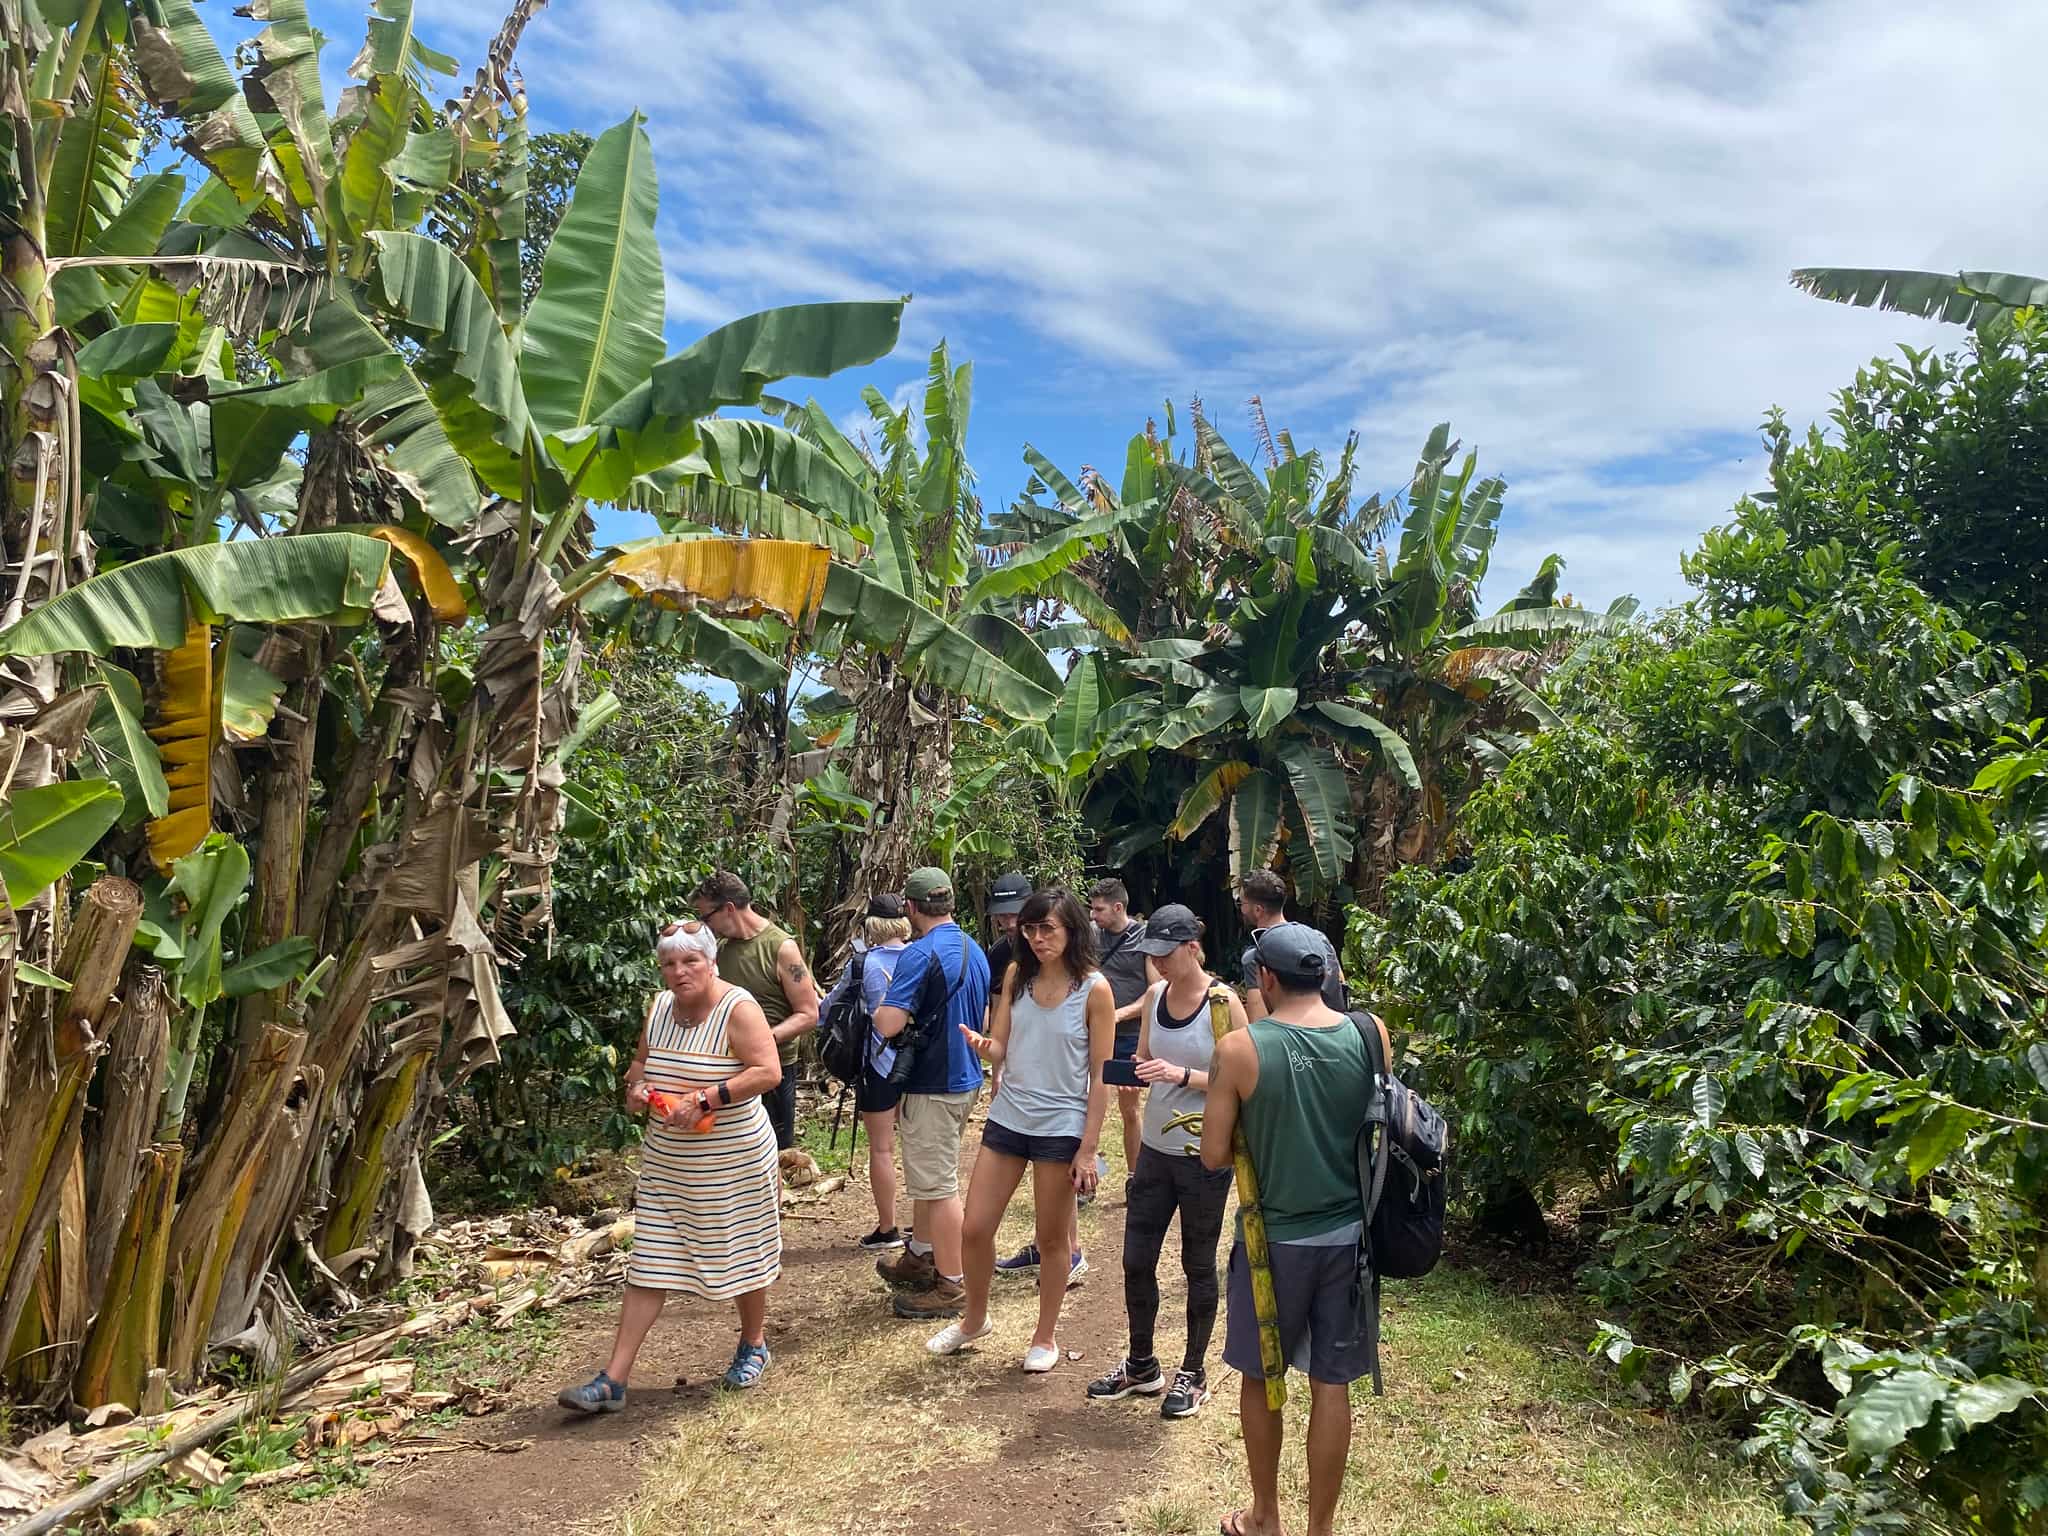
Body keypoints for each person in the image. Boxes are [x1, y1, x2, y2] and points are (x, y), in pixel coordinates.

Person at [1201, 922, 1390, 1536]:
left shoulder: (1240, 1049)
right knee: (1332, 1385)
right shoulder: (1371, 1033)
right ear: (1328, 975)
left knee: (1261, 1377)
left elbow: (1212, 1156)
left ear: (1267, 979)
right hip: (1349, 1239)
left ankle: (1264, 1517)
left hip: (1273, 1243)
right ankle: (1321, 1531)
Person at [557, 920, 784, 1410]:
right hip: (668, 1162)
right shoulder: (659, 1008)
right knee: (649, 1263)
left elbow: (768, 1071)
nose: (679, 972)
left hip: (733, 1162)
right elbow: (640, 1065)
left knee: (742, 1254)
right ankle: (613, 1380)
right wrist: (637, 1091)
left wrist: (706, 1098)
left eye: (690, 961)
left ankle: (753, 1343)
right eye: (669, 963)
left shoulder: (737, 1009)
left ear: (711, 962)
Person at [932, 889, 1114, 1369]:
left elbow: (1102, 1075)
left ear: (1071, 930)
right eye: (1030, 929)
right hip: (1009, 1117)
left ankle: (1044, 1337)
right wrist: (980, 1044)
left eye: (1046, 928)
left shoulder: (1094, 989)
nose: (1036, 938)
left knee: (1053, 1240)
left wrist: (1088, 1149)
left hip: (1061, 1125)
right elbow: (1002, 1048)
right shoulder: (1017, 976)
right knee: (974, 1228)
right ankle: (974, 1320)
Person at [1087, 904, 1246, 1419]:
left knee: (1198, 1263)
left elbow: (1243, 1079)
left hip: (1204, 1153)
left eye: (1164, 952)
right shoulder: (1155, 997)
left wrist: (1181, 1075)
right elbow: (1146, 1061)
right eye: (1150, 952)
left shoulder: (1224, 1004)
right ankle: (1141, 1364)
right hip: (1155, 1150)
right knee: (1136, 1259)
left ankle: (1194, 1372)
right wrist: (1133, 1071)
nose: (1155, 961)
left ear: (1192, 948)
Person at [872, 868, 991, 1320]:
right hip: (964, 1075)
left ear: (911, 908)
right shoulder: (973, 949)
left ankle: (953, 1284)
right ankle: (920, 1256)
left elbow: (889, 1023)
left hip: (932, 1081)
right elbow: (980, 1012)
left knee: (939, 1186)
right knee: (930, 1174)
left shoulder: (918, 954)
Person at [694, 871, 820, 1151]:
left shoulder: (781, 948)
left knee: (775, 1151)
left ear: (728, 909)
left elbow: (809, 1014)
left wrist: (762, 1041)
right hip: (726, 1068)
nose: (706, 925)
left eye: (707, 917)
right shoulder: (720, 950)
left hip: (773, 1069)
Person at [817, 893, 913, 1250]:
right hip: (919, 1067)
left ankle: (887, 1227)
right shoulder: (921, 956)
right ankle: (925, 1224)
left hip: (879, 1067)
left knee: (882, 1150)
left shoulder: (863, 964)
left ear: (872, 925)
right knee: (919, 1146)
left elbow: (828, 1010)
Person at [1087, 878, 1157, 1180]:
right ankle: (1088, 1175)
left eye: (1099, 909)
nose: (1094, 915)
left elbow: (1155, 990)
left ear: (1119, 907)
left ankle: (1134, 1178)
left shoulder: (1144, 939)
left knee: (1129, 1108)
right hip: (1094, 1034)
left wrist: (1117, 1015)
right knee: (1087, 1109)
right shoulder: (1090, 936)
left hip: (1129, 1036)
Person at [1236, 869, 1347, 1020]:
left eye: (1242, 903)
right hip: (1336, 1029)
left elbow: (1259, 1023)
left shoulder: (1257, 956)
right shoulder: (1319, 938)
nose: (1241, 909)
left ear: (1257, 910)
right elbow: (1340, 987)